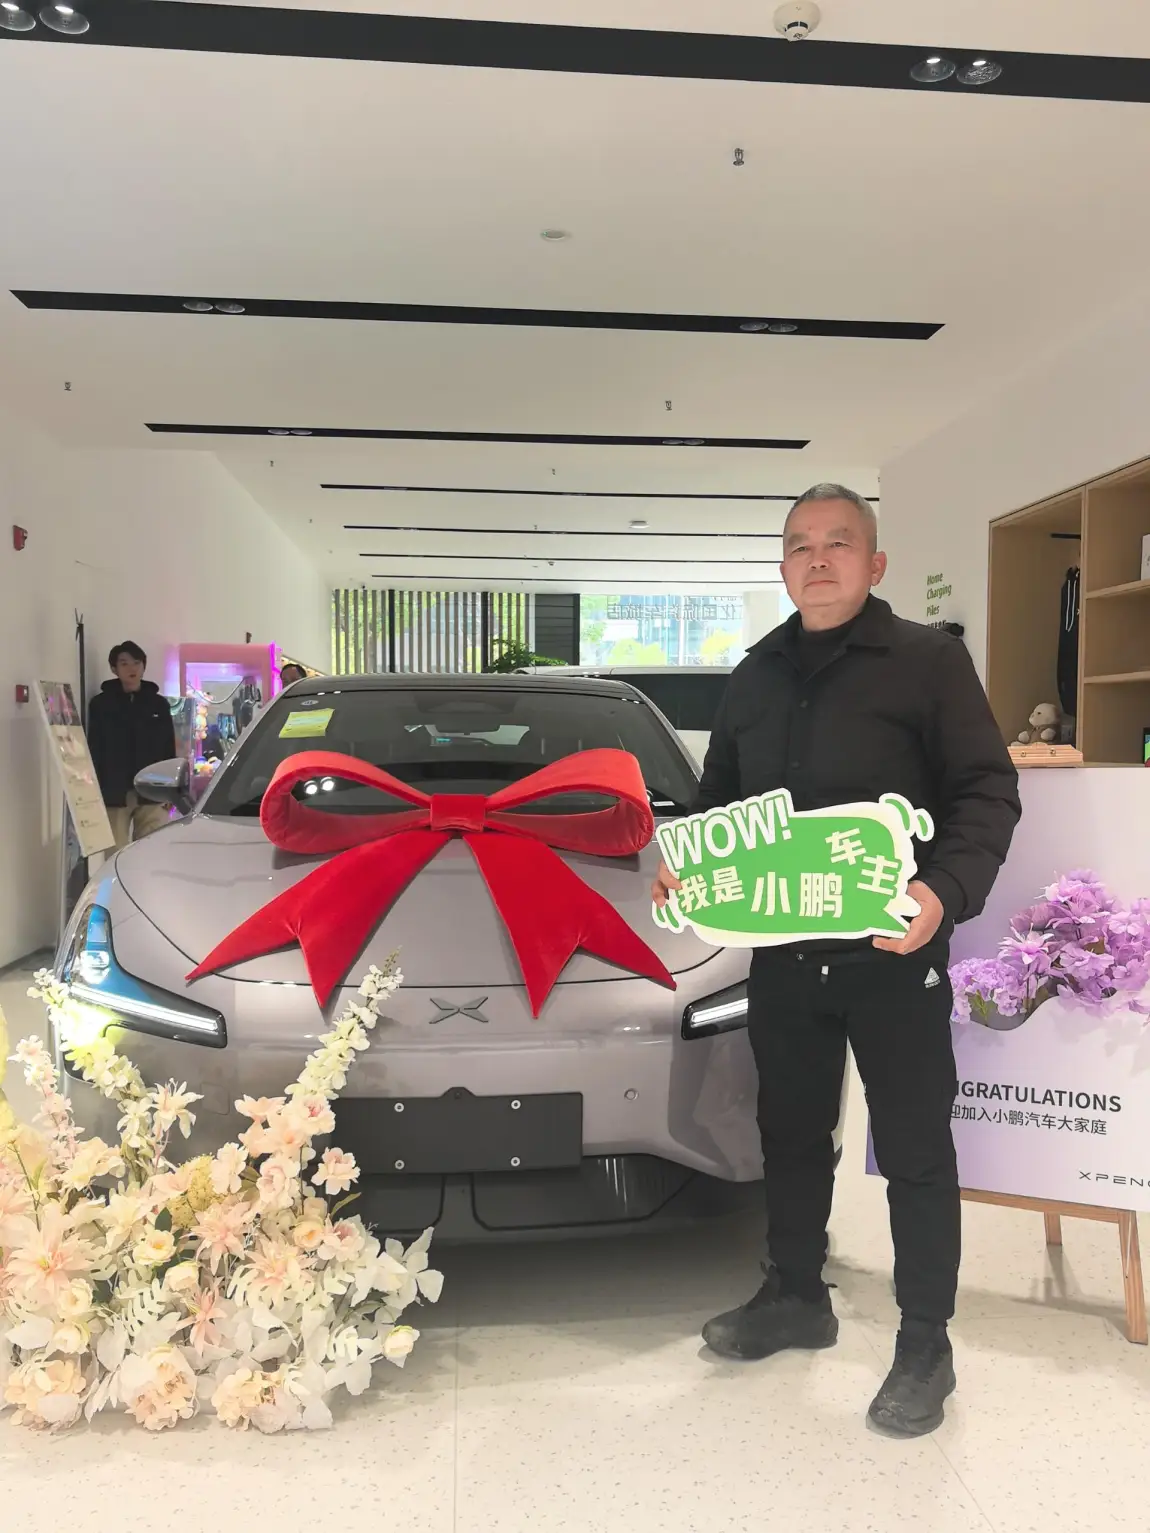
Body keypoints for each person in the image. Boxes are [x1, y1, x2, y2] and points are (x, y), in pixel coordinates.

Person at [652, 484, 1021, 1438]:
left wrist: (942, 893)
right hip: (786, 957)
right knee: (789, 1133)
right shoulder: (753, 676)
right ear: (782, 566)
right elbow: (721, 806)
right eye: (800, 546)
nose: (817, 560)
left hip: (894, 952)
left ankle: (926, 1342)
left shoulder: (929, 663)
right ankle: (795, 1295)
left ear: (875, 562)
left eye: (838, 543)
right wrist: (689, 866)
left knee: (915, 1149)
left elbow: (988, 791)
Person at [87, 641, 177, 848]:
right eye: (124, 663)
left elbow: (168, 748)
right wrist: (96, 789)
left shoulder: (158, 704)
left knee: (150, 849)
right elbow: (95, 748)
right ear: (114, 669)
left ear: (144, 666)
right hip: (114, 790)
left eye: (137, 663)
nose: (132, 668)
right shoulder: (101, 705)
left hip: (152, 791)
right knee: (114, 851)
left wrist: (170, 790)